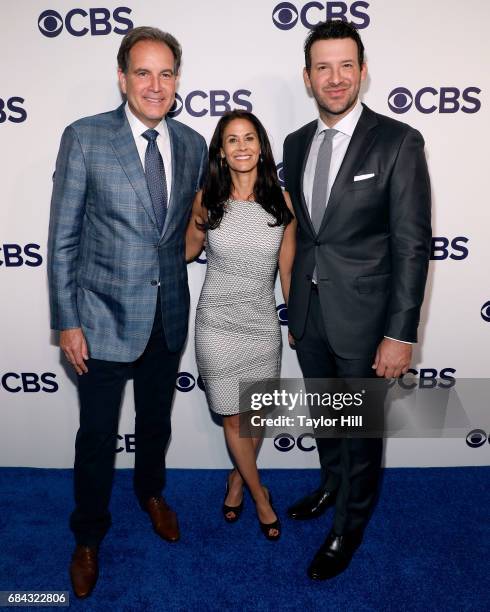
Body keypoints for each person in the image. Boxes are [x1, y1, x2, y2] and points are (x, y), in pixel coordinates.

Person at [47, 26, 207, 598]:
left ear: (177, 80)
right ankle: (88, 536)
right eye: (143, 72)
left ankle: (151, 492)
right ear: (122, 78)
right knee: (96, 436)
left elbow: (186, 231)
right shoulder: (86, 138)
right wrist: (67, 320)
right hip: (100, 318)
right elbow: (63, 238)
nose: (155, 85)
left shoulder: (191, 143)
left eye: (166, 73)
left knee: (155, 423)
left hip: (167, 313)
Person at [283, 20, 431, 579]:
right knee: (326, 418)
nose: (335, 77)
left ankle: (350, 526)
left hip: (369, 321)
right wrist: (295, 304)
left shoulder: (398, 141)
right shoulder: (296, 144)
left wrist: (400, 332)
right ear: (307, 77)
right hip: (311, 313)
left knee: (361, 432)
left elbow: (412, 245)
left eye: (347, 65)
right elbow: (305, 232)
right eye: (323, 66)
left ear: (364, 72)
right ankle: (329, 487)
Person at [186, 110, 296, 540]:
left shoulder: (281, 203)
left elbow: (287, 270)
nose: (242, 146)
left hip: (261, 324)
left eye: (250, 138)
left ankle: (237, 479)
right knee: (234, 420)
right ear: (221, 151)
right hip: (216, 322)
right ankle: (261, 496)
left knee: (255, 417)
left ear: (261, 146)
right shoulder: (206, 199)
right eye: (232, 140)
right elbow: (186, 251)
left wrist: (296, 321)